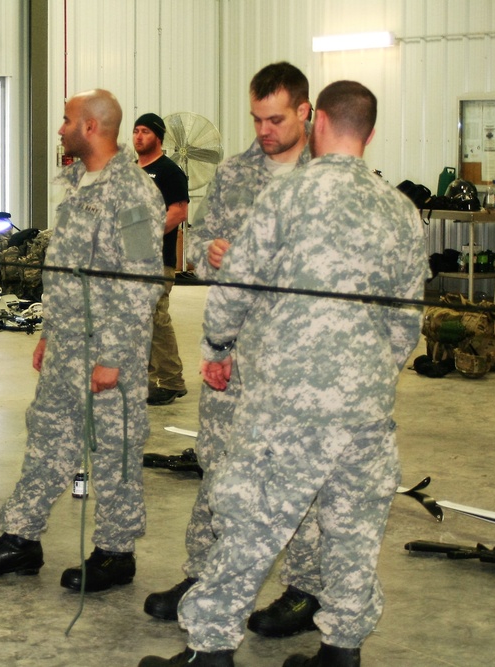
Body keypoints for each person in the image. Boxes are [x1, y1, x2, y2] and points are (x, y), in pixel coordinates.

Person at [138, 80, 428, 667]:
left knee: (250, 522)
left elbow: (235, 285)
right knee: (352, 529)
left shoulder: (288, 195)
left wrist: (218, 345)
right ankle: (341, 651)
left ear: (316, 121)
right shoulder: (402, 211)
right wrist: (371, 375)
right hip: (367, 409)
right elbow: (406, 322)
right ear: (368, 134)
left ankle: (210, 648)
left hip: (290, 405)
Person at [0, 90, 165, 591]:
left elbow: (141, 281)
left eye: (67, 119)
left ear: (91, 127)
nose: (60, 128)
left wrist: (113, 357)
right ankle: (21, 539)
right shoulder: (76, 183)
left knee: (112, 451)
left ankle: (116, 552)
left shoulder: (132, 191)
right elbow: (66, 271)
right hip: (67, 343)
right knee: (47, 439)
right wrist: (50, 331)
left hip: (109, 347)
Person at [144, 62, 322, 637]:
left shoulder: (328, 180)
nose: (264, 130)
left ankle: (305, 590)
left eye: (275, 119)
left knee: (302, 477)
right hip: (232, 351)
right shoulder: (236, 173)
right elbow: (193, 243)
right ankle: (203, 574)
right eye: (256, 119)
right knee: (217, 466)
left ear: (304, 112)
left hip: (300, 362)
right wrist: (207, 251)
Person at [133, 113, 189, 406]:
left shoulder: (169, 171)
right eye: (135, 131)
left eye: (145, 131)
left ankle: (170, 380)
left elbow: (179, 212)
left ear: (159, 136)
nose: (138, 136)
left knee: (156, 318)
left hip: (157, 259)